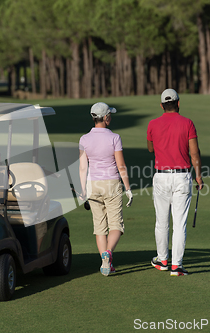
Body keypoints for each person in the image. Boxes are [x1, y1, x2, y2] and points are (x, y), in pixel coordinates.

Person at [146, 89, 204, 276]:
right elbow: (194, 153)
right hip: (182, 176)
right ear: (178, 103)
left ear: (162, 105)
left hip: (161, 176)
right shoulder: (188, 123)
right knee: (179, 223)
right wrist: (199, 176)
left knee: (161, 222)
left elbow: (150, 148)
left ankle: (162, 260)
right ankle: (176, 266)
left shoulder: (153, 124)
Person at [79, 102, 133, 276]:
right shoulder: (114, 137)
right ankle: (108, 253)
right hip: (112, 184)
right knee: (116, 226)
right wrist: (128, 188)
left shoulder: (84, 139)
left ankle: (105, 262)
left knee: (100, 227)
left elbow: (82, 168)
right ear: (106, 117)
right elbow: (121, 165)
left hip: (93, 185)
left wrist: (82, 191)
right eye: (110, 115)